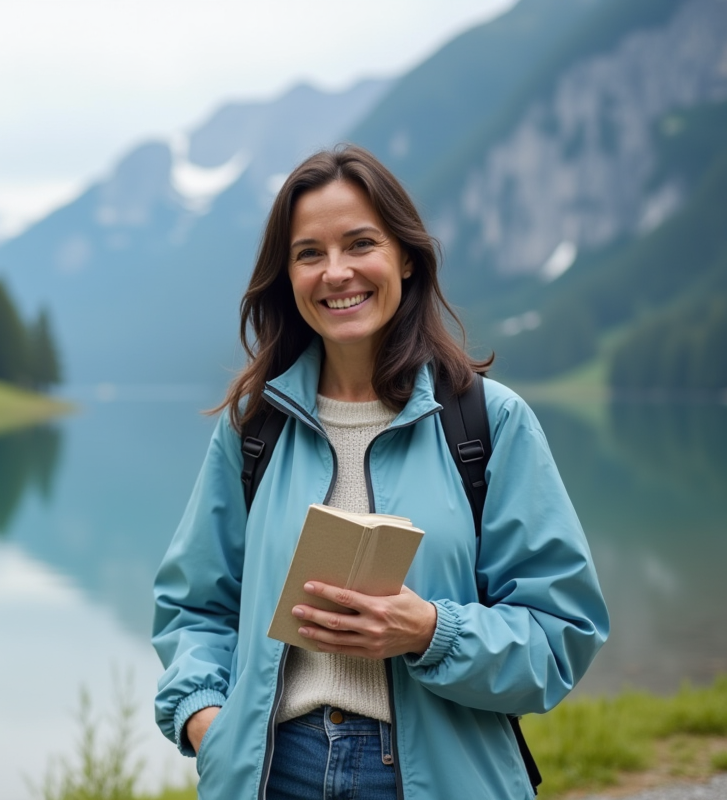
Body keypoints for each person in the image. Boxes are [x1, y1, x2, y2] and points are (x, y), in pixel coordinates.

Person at [152, 145, 609, 799]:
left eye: (360, 243)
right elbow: (193, 607)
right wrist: (205, 722)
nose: (336, 272)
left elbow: (561, 636)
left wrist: (430, 631)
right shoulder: (254, 428)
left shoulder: (489, 423)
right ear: (287, 276)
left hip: (439, 778)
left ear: (405, 257)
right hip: (275, 772)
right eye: (310, 253)